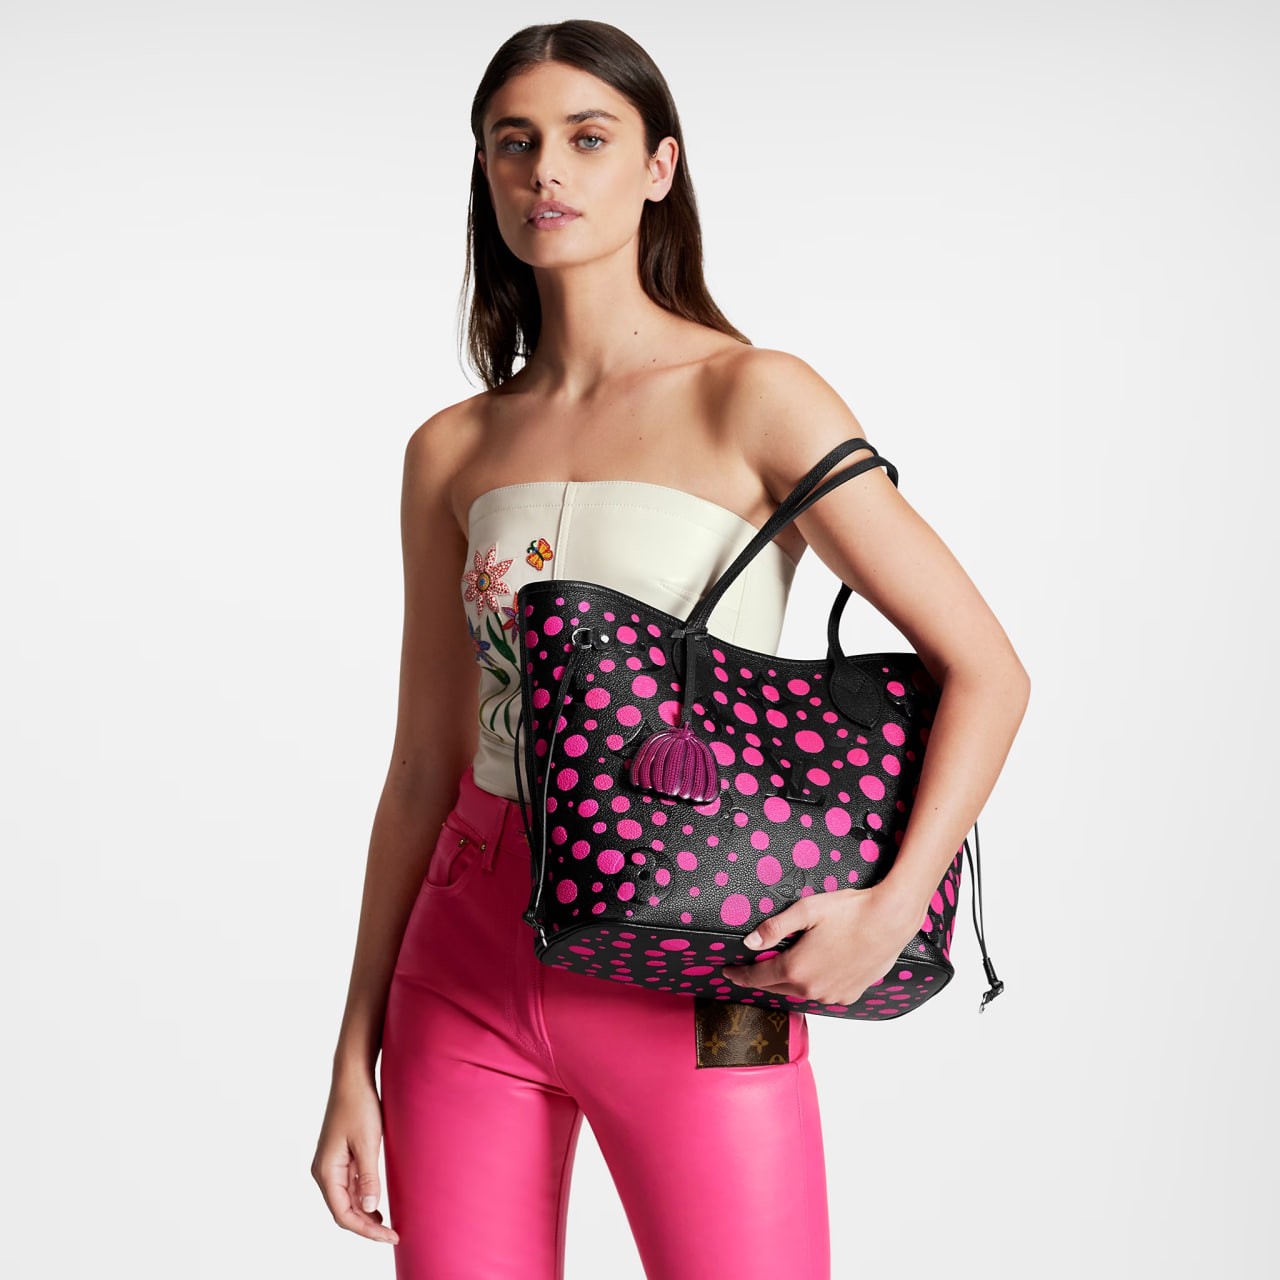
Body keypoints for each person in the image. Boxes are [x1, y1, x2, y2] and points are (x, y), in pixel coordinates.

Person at [311, 18, 1031, 1280]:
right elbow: (423, 763)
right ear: (484, 171)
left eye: (587, 138)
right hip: (461, 964)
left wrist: (891, 907)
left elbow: (986, 669)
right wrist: (349, 1055)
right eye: (513, 142)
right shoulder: (451, 447)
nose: (546, 170)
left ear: (657, 166)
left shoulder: (754, 396)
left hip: (694, 954)